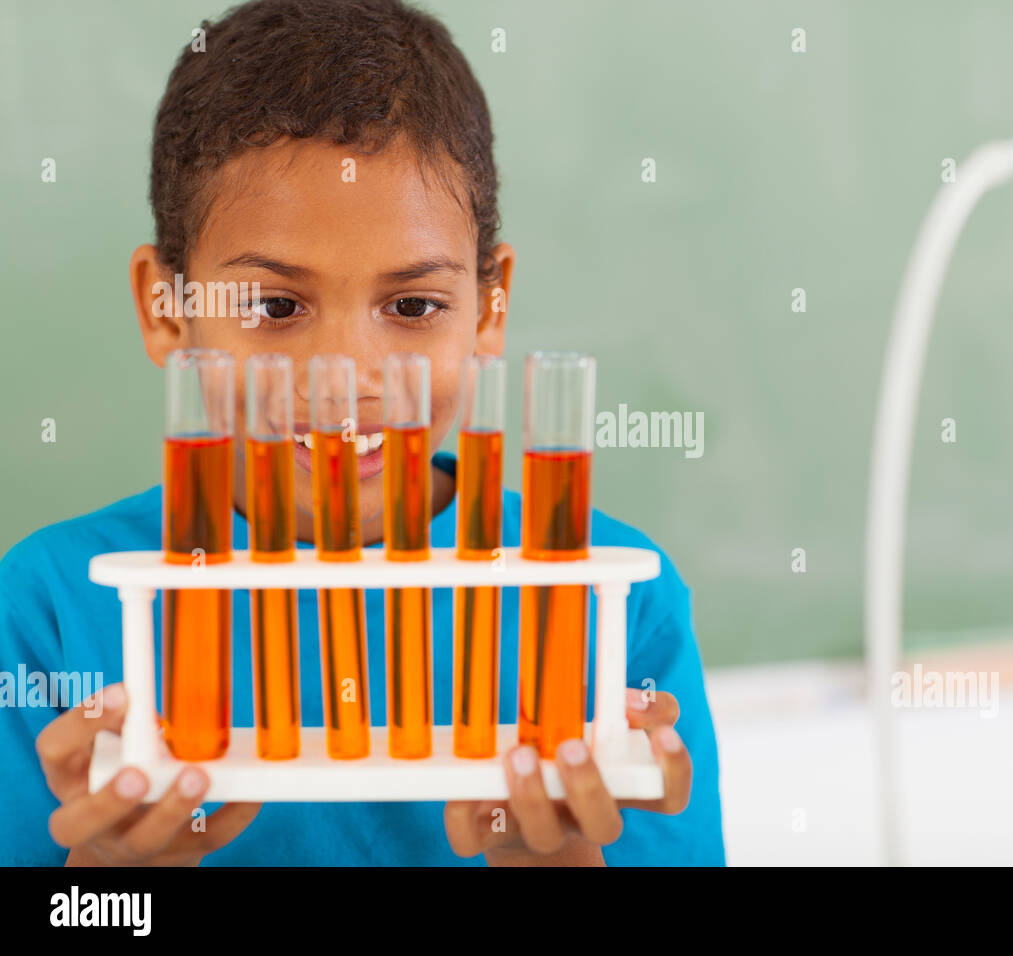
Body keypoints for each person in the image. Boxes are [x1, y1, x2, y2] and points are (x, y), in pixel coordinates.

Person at [0, 0, 724, 866]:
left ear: (490, 304)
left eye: (413, 305)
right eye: (274, 306)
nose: (346, 372)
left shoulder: (617, 613)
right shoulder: (43, 612)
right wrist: (112, 886)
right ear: (166, 308)